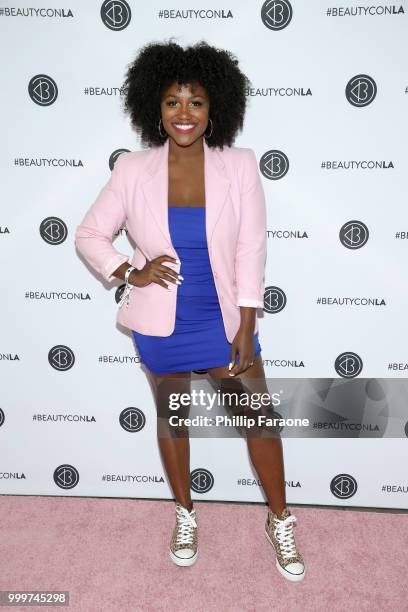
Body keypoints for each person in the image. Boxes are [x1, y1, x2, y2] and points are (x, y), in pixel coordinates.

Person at [75, 39, 305, 582]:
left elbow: (252, 246)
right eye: (173, 102)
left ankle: (280, 520)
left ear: (213, 108)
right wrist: (130, 272)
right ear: (154, 107)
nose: (184, 113)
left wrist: (247, 325)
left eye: (196, 102)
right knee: (174, 420)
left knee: (258, 421)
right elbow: (89, 234)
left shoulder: (240, 165)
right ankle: (185, 514)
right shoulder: (133, 169)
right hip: (160, 323)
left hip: (223, 317)